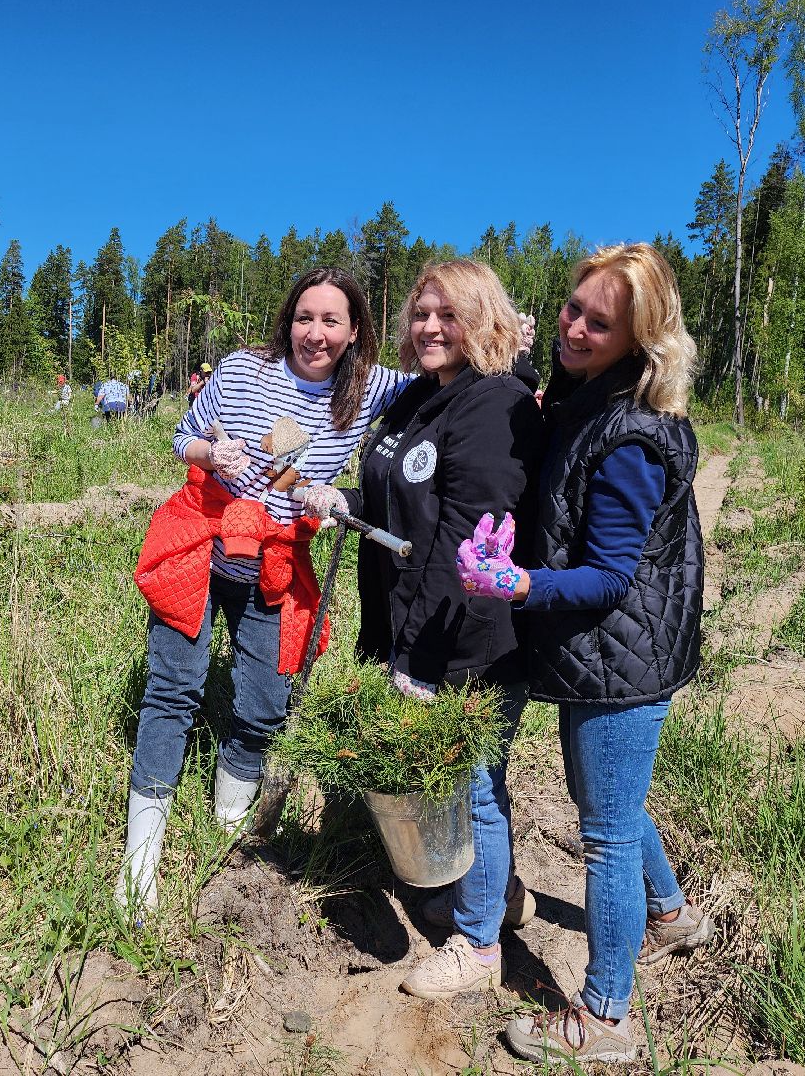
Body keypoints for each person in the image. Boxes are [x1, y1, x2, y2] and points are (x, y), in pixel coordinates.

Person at [455, 244, 712, 1064]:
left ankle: (606, 1016)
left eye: (600, 323)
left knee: (601, 831)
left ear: (639, 339)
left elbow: (604, 579)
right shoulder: (584, 399)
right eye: (573, 308)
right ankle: (671, 914)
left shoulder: (631, 436)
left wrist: (519, 584)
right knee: (614, 800)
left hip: (620, 660)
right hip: (609, 656)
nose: (576, 327)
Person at [119, 267, 407, 914]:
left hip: (277, 559)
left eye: (331, 320)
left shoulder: (368, 389)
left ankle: (227, 839)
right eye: (306, 317)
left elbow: (446, 377)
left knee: (268, 699)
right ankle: (139, 864)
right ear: (289, 320)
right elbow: (182, 435)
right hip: (202, 541)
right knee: (174, 689)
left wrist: (517, 356)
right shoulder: (245, 369)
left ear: (354, 330)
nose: (315, 332)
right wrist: (208, 455)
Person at [301, 260, 543, 1000]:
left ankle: (476, 948)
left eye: (450, 314)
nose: (431, 327)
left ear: (484, 321)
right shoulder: (416, 398)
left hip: (471, 638)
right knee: (448, 785)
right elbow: (398, 495)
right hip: (408, 626)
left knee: (473, 786)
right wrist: (338, 499)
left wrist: (424, 664)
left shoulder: (497, 405)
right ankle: (495, 896)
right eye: (421, 314)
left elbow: (467, 542)